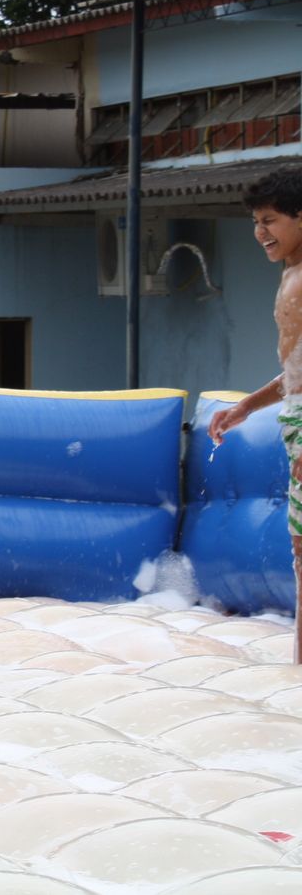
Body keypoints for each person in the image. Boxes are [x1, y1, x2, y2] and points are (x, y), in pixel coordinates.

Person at [208, 166, 302, 662]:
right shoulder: (291, 272)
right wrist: (248, 405)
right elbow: (296, 370)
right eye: (255, 222)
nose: (260, 232)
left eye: (270, 220)